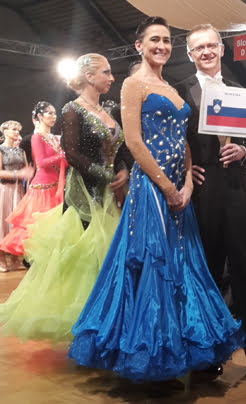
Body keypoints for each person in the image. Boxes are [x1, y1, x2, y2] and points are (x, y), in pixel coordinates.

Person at [68, 16, 244, 383]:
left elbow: (185, 142)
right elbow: (134, 142)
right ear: (139, 46)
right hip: (151, 189)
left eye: (166, 40)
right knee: (153, 267)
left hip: (180, 190)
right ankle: (149, 353)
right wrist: (167, 187)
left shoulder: (171, 88)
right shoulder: (133, 85)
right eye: (154, 40)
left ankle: (179, 347)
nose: (162, 46)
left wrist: (188, 184)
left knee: (184, 267)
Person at [0, 53, 127, 342]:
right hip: (84, 193)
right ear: (89, 76)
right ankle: (86, 324)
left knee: (108, 253)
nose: (112, 77)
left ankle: (108, 319)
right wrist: (106, 175)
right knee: (85, 254)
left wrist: (122, 170)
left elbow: (117, 149)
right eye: (106, 72)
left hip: (111, 194)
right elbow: (72, 154)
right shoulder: (73, 109)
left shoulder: (107, 112)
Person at [175, 23, 246, 373]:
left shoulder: (242, 91)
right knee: (207, 271)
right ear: (190, 54)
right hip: (202, 190)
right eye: (199, 47)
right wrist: (186, 171)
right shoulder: (179, 91)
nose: (206, 52)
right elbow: (170, 139)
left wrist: (244, 150)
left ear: (222, 49)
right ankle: (208, 356)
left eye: (211, 45)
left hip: (236, 188)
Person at [0, 102, 67, 271]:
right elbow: (41, 163)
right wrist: (62, 155)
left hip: (57, 185)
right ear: (39, 117)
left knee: (54, 226)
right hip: (43, 188)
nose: (53, 116)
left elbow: (62, 161)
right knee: (37, 226)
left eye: (54, 113)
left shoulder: (56, 138)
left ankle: (50, 263)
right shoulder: (37, 138)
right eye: (49, 113)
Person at [0, 121, 33, 270]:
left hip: (19, 190)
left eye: (18, 130)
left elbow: (27, 170)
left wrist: (29, 177)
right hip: (4, 190)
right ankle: (1, 258)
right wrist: (17, 173)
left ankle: (14, 257)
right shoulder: (1, 150)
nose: (17, 132)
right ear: (5, 132)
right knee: (3, 222)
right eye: (13, 129)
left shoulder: (21, 152)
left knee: (16, 224)